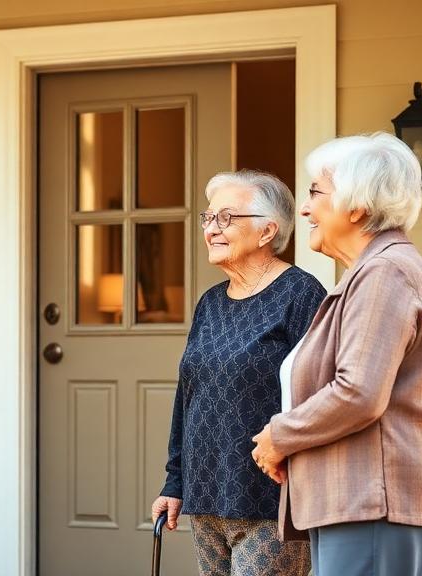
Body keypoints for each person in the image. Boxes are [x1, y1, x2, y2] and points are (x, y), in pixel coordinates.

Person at [251, 132, 422, 576]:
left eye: (314, 192)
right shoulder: (374, 271)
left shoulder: (384, 272)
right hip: (360, 500)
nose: (304, 209)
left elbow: (358, 392)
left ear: (358, 205)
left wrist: (279, 437)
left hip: (373, 501)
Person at [150, 170, 325, 576]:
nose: (211, 230)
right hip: (206, 493)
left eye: (226, 218)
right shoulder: (210, 303)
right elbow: (188, 396)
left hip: (270, 499)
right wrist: (175, 482)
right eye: (208, 219)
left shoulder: (301, 294)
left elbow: (318, 399)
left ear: (267, 232)